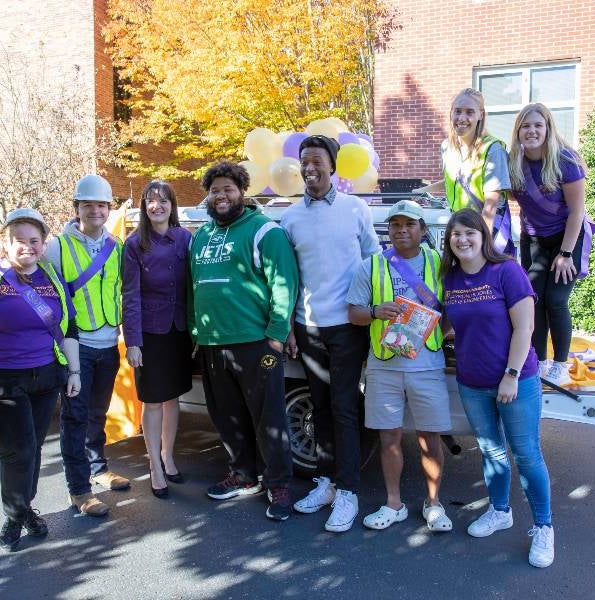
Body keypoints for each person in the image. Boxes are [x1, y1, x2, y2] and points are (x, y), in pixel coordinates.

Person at [0, 208, 82, 552]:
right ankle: (16, 514)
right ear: (5, 244)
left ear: (43, 243)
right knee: (18, 451)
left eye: (34, 240)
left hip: (45, 378)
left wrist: (74, 371)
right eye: (19, 241)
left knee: (33, 448)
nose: (27, 247)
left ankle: (23, 508)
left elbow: (69, 327)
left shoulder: (52, 279)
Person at [441, 208, 554, 568]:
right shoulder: (452, 279)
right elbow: (444, 327)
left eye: (469, 233)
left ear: (482, 236)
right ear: (449, 241)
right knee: (492, 454)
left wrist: (511, 373)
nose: (462, 239)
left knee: (527, 456)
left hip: (515, 380)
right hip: (472, 383)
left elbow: (525, 329)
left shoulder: (506, 270)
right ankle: (500, 511)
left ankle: (544, 527)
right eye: (455, 234)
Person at [188, 161, 299, 521]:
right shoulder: (201, 236)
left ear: (242, 192)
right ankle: (244, 475)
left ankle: (279, 485)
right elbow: (193, 289)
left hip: (257, 344)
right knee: (227, 416)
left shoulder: (266, 231)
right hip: (212, 343)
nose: (221, 196)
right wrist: (195, 332)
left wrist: (276, 338)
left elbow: (284, 285)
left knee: (268, 417)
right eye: (215, 190)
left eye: (228, 189)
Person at [280, 134, 380, 533]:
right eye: (304, 161)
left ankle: (348, 491)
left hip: (347, 326)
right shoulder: (290, 218)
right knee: (318, 408)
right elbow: (286, 278)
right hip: (308, 327)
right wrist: (289, 325)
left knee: (344, 407)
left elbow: (374, 260)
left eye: (317, 160)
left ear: (333, 166)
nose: (310, 167)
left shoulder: (356, 209)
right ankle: (325, 482)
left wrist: (373, 311)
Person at [346, 200, 452, 532]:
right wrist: (377, 311)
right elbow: (353, 314)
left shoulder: (441, 263)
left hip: (428, 364)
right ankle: (394, 504)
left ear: (422, 229)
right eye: (395, 225)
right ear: (388, 230)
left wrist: (439, 329)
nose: (401, 230)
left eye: (409, 224)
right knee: (389, 437)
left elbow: (456, 309)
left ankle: (434, 504)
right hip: (384, 365)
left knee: (430, 439)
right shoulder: (372, 266)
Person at [44, 174, 131, 518]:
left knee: (98, 412)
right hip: (76, 346)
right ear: (77, 207)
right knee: (75, 418)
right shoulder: (57, 247)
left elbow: (123, 291)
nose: (95, 210)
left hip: (109, 344)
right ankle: (79, 490)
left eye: (101, 205)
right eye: (88, 205)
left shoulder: (116, 246)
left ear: (108, 208)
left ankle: (98, 469)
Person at [508, 103, 593, 385]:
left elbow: (577, 212)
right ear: (518, 130)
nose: (531, 131)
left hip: (567, 237)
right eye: (525, 126)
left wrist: (566, 254)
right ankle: (540, 361)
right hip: (533, 238)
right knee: (534, 300)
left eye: (537, 125)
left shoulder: (565, 161)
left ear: (547, 128)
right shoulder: (513, 163)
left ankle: (560, 364)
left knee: (556, 300)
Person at [122, 180, 193, 499]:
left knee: (172, 397)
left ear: (172, 205)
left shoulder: (185, 238)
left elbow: (193, 287)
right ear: (144, 207)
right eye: (151, 200)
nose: (158, 205)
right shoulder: (135, 244)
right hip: (149, 334)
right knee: (152, 400)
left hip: (178, 330)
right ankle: (154, 465)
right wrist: (133, 341)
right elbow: (130, 295)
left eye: (164, 200)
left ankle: (168, 456)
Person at [416, 88, 515, 255]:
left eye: (469, 112)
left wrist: (484, 247)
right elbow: (454, 179)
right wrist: (421, 192)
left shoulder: (492, 149)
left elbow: (490, 205)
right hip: (458, 228)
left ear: (480, 115)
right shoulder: (447, 147)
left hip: (487, 231)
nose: (462, 118)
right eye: (457, 111)